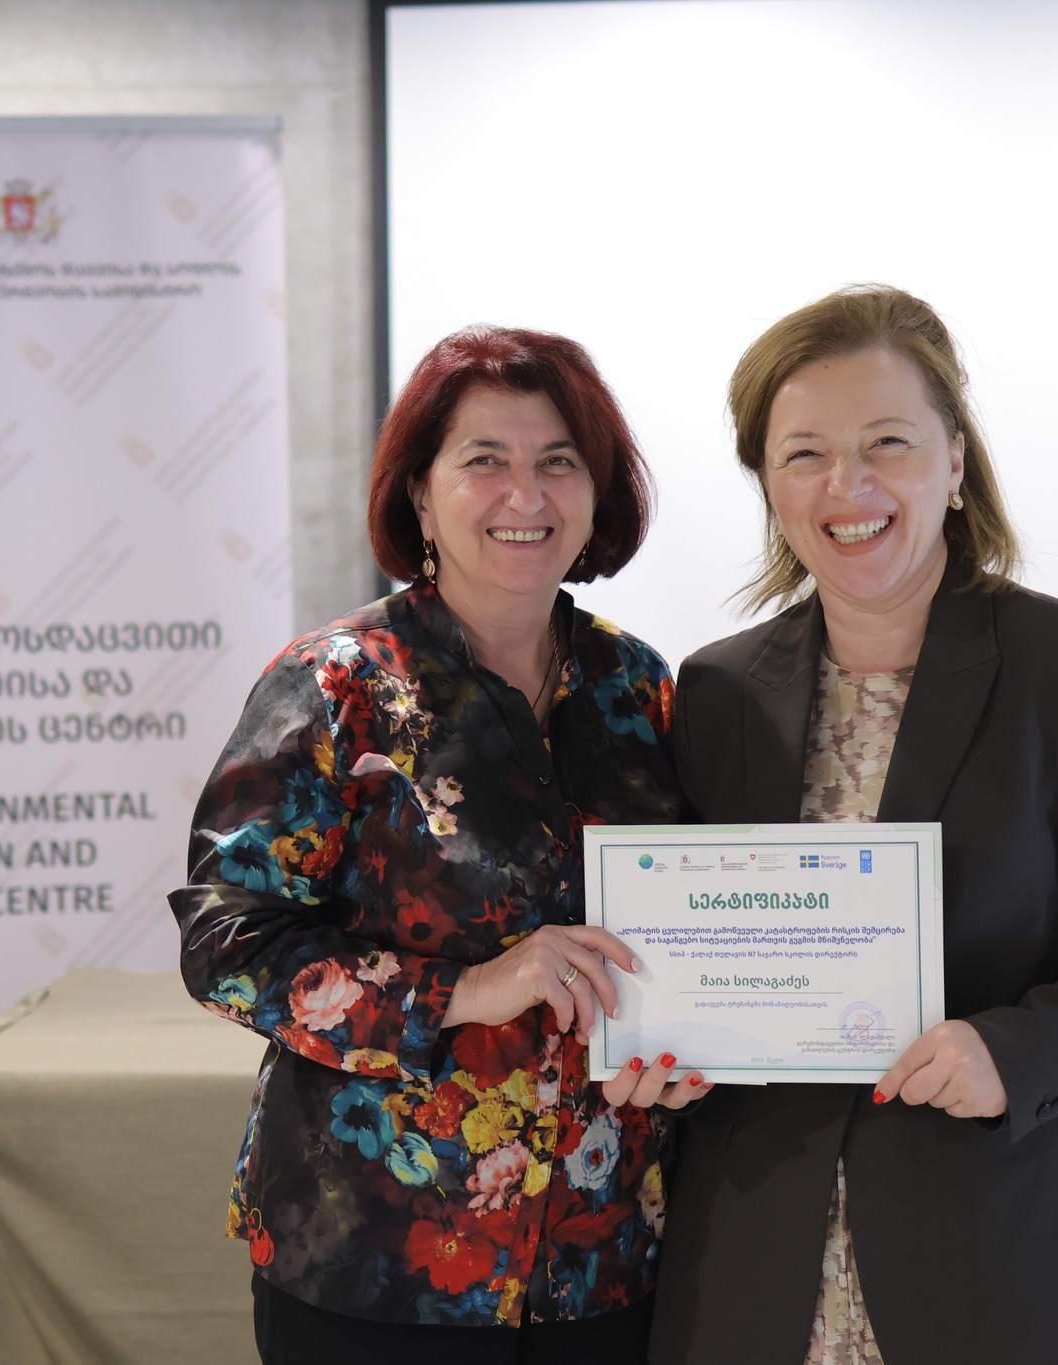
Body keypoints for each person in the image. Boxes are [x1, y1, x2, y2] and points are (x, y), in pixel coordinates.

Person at [646, 286, 1058, 1365]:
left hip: (1012, 1254)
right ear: (767, 482)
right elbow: (705, 945)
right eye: (804, 453)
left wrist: (1013, 1051)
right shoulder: (716, 690)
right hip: (763, 1271)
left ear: (954, 460)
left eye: (888, 442)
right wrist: (664, 1040)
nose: (847, 484)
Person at [171, 325, 705, 1365]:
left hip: (603, 1260)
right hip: (376, 1263)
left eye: (559, 461)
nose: (526, 493)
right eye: (484, 460)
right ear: (421, 494)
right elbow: (224, 942)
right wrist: (464, 991)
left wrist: (700, 1043)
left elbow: (685, 921)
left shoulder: (638, 688)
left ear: (597, 492)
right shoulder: (338, 683)